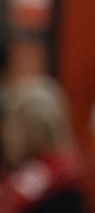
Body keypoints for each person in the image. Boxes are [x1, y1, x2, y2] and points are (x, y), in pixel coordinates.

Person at [0, 76, 86, 213]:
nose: (6, 136)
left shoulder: (62, 188)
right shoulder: (12, 178)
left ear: (35, 130)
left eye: (12, 127)